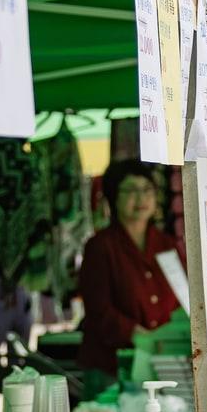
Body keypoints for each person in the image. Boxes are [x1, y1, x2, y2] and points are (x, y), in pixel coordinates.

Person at [76, 161, 183, 398]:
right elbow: (99, 309)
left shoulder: (166, 245)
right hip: (112, 366)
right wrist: (140, 336)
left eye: (147, 189)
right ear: (114, 197)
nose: (141, 197)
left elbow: (181, 297)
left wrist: (169, 337)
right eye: (131, 190)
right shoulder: (100, 247)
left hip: (162, 361)